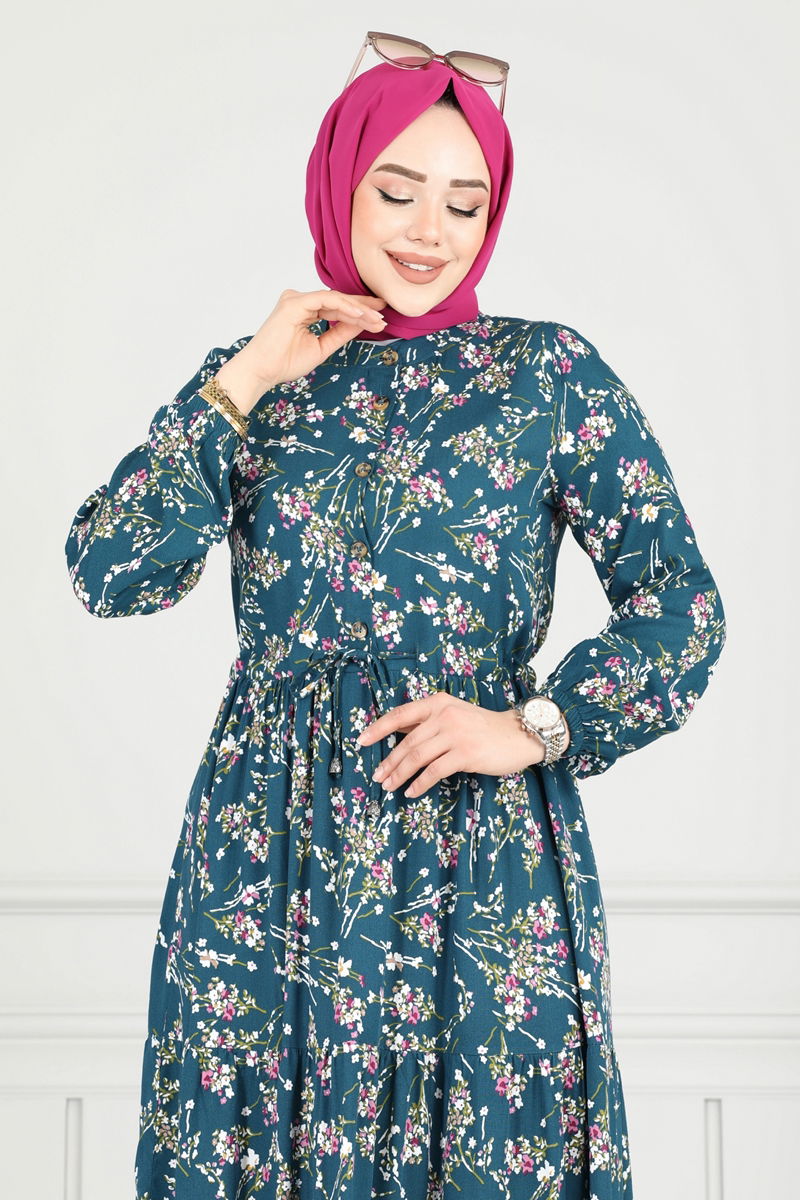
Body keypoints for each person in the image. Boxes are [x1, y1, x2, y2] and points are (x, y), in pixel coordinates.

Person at [64, 37, 726, 1200]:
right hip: (268, 857)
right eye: (396, 191)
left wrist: (532, 726)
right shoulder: (257, 379)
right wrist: (244, 378)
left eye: (464, 204)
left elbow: (679, 605)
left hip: (479, 856)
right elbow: (111, 572)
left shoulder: (546, 375)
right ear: (338, 182)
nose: (430, 232)